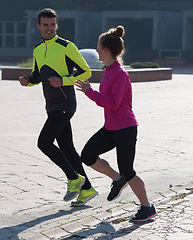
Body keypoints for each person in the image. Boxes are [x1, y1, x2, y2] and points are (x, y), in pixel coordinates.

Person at [75, 26, 157, 221]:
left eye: (98, 47)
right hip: (111, 127)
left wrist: (89, 91)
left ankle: (147, 207)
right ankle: (117, 179)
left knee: (129, 171)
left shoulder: (120, 74)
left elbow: (113, 102)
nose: (96, 51)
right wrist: (91, 92)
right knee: (87, 155)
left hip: (126, 129)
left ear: (105, 50)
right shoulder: (109, 70)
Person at [19, 8, 97, 207]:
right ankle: (86, 189)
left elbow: (86, 72)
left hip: (65, 103)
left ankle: (73, 178)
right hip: (51, 105)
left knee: (44, 143)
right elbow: (38, 75)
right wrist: (28, 80)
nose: (49, 28)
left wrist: (64, 81)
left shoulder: (66, 46)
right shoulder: (37, 49)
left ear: (57, 25)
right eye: (45, 25)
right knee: (68, 149)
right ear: (39, 26)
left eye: (52, 24)